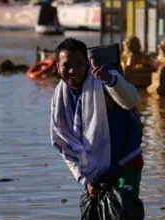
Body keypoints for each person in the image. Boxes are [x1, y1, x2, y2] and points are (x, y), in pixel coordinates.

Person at [49, 38, 144, 198]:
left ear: (87, 62)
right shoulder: (59, 98)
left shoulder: (105, 77)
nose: (73, 71)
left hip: (125, 163)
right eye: (66, 65)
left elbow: (132, 101)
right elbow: (64, 144)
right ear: (57, 67)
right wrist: (86, 180)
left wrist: (110, 80)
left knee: (125, 218)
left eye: (79, 64)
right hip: (94, 172)